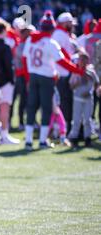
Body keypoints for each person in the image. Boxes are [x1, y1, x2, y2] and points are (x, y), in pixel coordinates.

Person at [22, 12, 84, 150]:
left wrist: (27, 78)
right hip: (46, 77)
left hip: (33, 76)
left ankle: (28, 140)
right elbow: (62, 62)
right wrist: (78, 70)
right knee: (47, 109)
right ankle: (42, 140)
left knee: (31, 108)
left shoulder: (31, 40)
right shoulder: (50, 42)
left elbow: (24, 59)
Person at [53, 12, 80, 133]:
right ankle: (62, 129)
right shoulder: (59, 34)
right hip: (61, 74)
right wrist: (75, 68)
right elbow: (62, 57)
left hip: (65, 72)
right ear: (64, 23)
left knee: (67, 102)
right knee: (63, 103)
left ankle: (64, 128)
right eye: (69, 22)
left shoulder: (65, 34)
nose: (72, 25)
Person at [68, 52, 100, 147]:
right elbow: (71, 86)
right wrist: (77, 83)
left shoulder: (91, 72)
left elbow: (97, 83)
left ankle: (87, 138)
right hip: (78, 98)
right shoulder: (75, 71)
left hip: (88, 98)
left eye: (84, 59)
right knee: (76, 119)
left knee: (87, 119)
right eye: (80, 59)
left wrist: (94, 90)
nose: (82, 61)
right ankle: (74, 138)